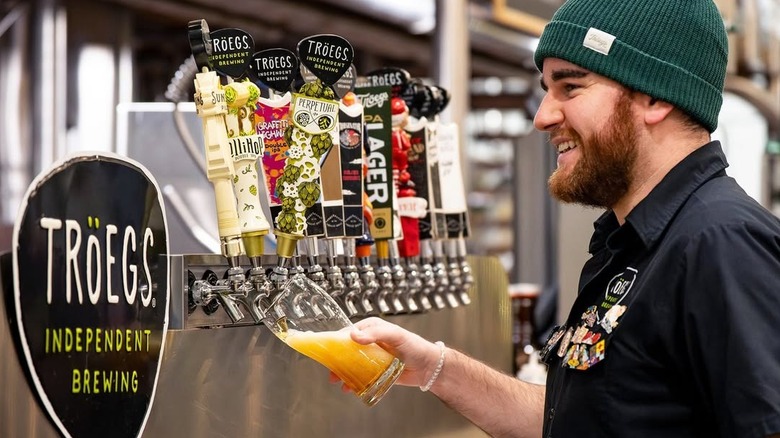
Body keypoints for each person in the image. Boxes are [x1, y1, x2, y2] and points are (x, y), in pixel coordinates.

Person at [335, 0, 780, 436]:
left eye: (571, 87)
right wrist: (434, 366)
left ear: (655, 97)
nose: (543, 117)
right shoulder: (631, 245)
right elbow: (578, 418)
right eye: (547, 89)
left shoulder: (721, 243)